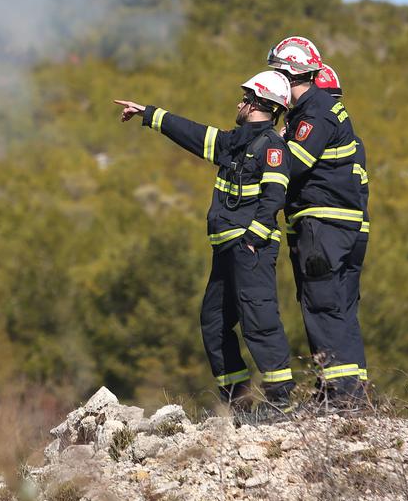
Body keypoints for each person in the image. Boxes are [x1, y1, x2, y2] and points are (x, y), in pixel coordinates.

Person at [114, 71, 296, 411]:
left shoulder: (272, 147)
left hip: (249, 249)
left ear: (260, 104)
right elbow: (195, 135)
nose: (239, 103)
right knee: (213, 324)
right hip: (227, 249)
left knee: (259, 322)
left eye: (246, 97)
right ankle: (240, 406)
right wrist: (149, 114)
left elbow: (275, 197)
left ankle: (281, 406)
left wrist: (253, 239)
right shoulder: (236, 142)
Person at [266, 37, 367, 405]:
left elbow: (293, 164)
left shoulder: (314, 112)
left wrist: (267, 147)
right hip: (329, 221)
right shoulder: (315, 110)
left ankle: (341, 396)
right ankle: (348, 392)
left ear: (289, 73)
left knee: (321, 304)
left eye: (276, 72)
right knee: (336, 307)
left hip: (321, 222)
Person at [314, 63, 369, 388]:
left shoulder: (320, 132)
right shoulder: (354, 141)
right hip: (357, 231)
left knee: (327, 308)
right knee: (346, 313)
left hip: (331, 233)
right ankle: (356, 389)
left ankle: (336, 393)